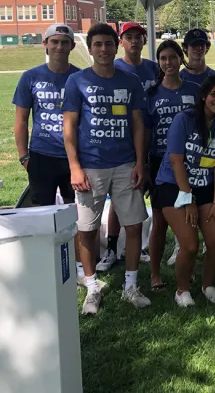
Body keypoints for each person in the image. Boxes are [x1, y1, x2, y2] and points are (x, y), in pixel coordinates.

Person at [63, 23, 151, 315]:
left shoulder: (130, 82)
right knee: (86, 229)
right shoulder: (77, 81)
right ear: (90, 48)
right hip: (91, 167)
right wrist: (75, 166)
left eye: (108, 44)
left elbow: (138, 125)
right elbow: (70, 128)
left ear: (117, 46)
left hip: (126, 164)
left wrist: (140, 162)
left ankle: (130, 286)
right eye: (97, 44)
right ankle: (91, 286)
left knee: (135, 225)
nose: (103, 49)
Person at [13, 24, 92, 286]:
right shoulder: (31, 77)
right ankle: (45, 263)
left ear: (72, 46)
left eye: (64, 42)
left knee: (76, 212)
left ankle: (79, 267)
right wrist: (24, 156)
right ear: (45, 44)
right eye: (54, 41)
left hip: (74, 158)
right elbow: (22, 121)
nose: (59, 46)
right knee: (42, 213)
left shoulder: (80, 78)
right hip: (42, 155)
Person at [154, 74, 215, 306]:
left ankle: (207, 284)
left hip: (205, 187)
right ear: (203, 96)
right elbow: (176, 160)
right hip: (174, 186)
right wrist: (187, 198)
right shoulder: (184, 119)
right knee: (190, 245)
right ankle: (182, 290)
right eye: (214, 95)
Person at [98, 21, 159, 272]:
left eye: (139, 37)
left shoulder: (154, 69)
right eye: (129, 37)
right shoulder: (115, 68)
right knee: (119, 198)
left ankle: (144, 244)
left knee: (148, 195)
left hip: (152, 137)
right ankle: (113, 248)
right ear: (121, 42)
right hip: (123, 140)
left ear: (144, 41)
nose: (134, 41)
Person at [144, 40, 200, 291]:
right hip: (160, 163)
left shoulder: (195, 89)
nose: (168, 63)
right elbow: (145, 131)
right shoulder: (152, 93)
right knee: (160, 221)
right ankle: (155, 274)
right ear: (159, 62)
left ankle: (188, 270)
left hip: (191, 161)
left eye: (173, 57)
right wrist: (145, 164)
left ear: (181, 59)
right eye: (163, 58)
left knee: (189, 218)